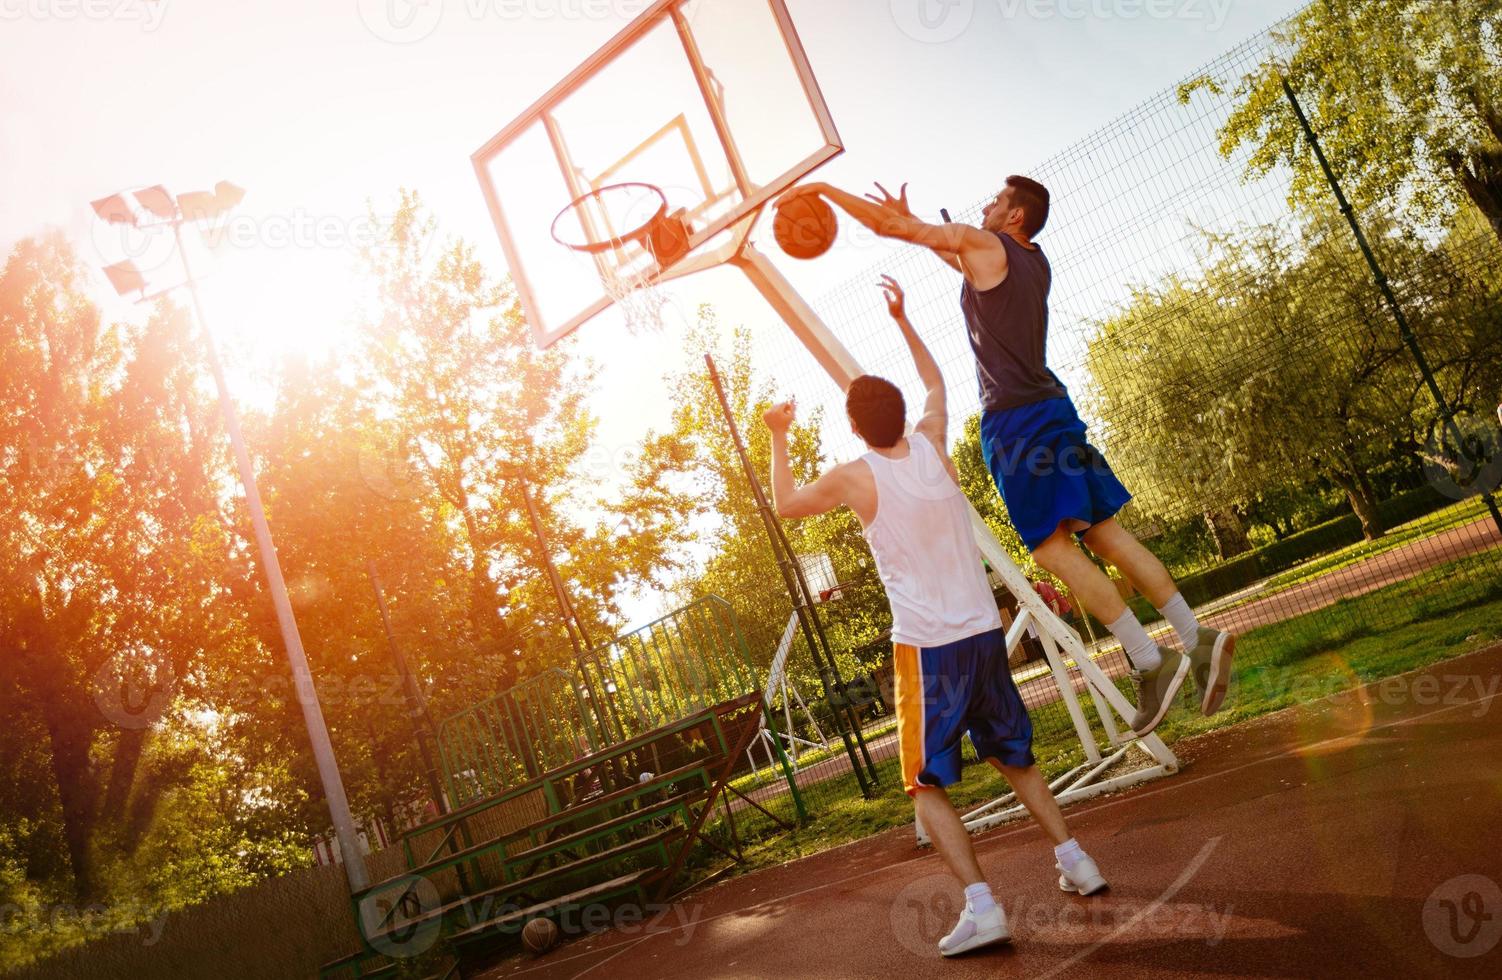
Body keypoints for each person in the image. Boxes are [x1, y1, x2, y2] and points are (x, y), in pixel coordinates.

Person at [778, 177, 1236, 736]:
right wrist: (918, 225)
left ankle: (1148, 660)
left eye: (996, 201)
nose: (985, 205)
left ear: (1017, 215)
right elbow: (953, 256)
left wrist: (826, 189)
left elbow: (894, 230)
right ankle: (1197, 637)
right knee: (1106, 534)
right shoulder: (1030, 261)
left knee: (1050, 549)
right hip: (1054, 409)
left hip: (1017, 427)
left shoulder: (985, 244)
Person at [762, 276, 1107, 958]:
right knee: (1016, 758)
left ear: (855, 426)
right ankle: (1077, 860)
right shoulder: (932, 443)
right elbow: (934, 382)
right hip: (983, 633)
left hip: (927, 648)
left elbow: (785, 504)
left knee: (923, 783)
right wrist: (903, 319)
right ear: (897, 415)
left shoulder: (855, 476)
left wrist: (777, 435)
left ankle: (983, 908)